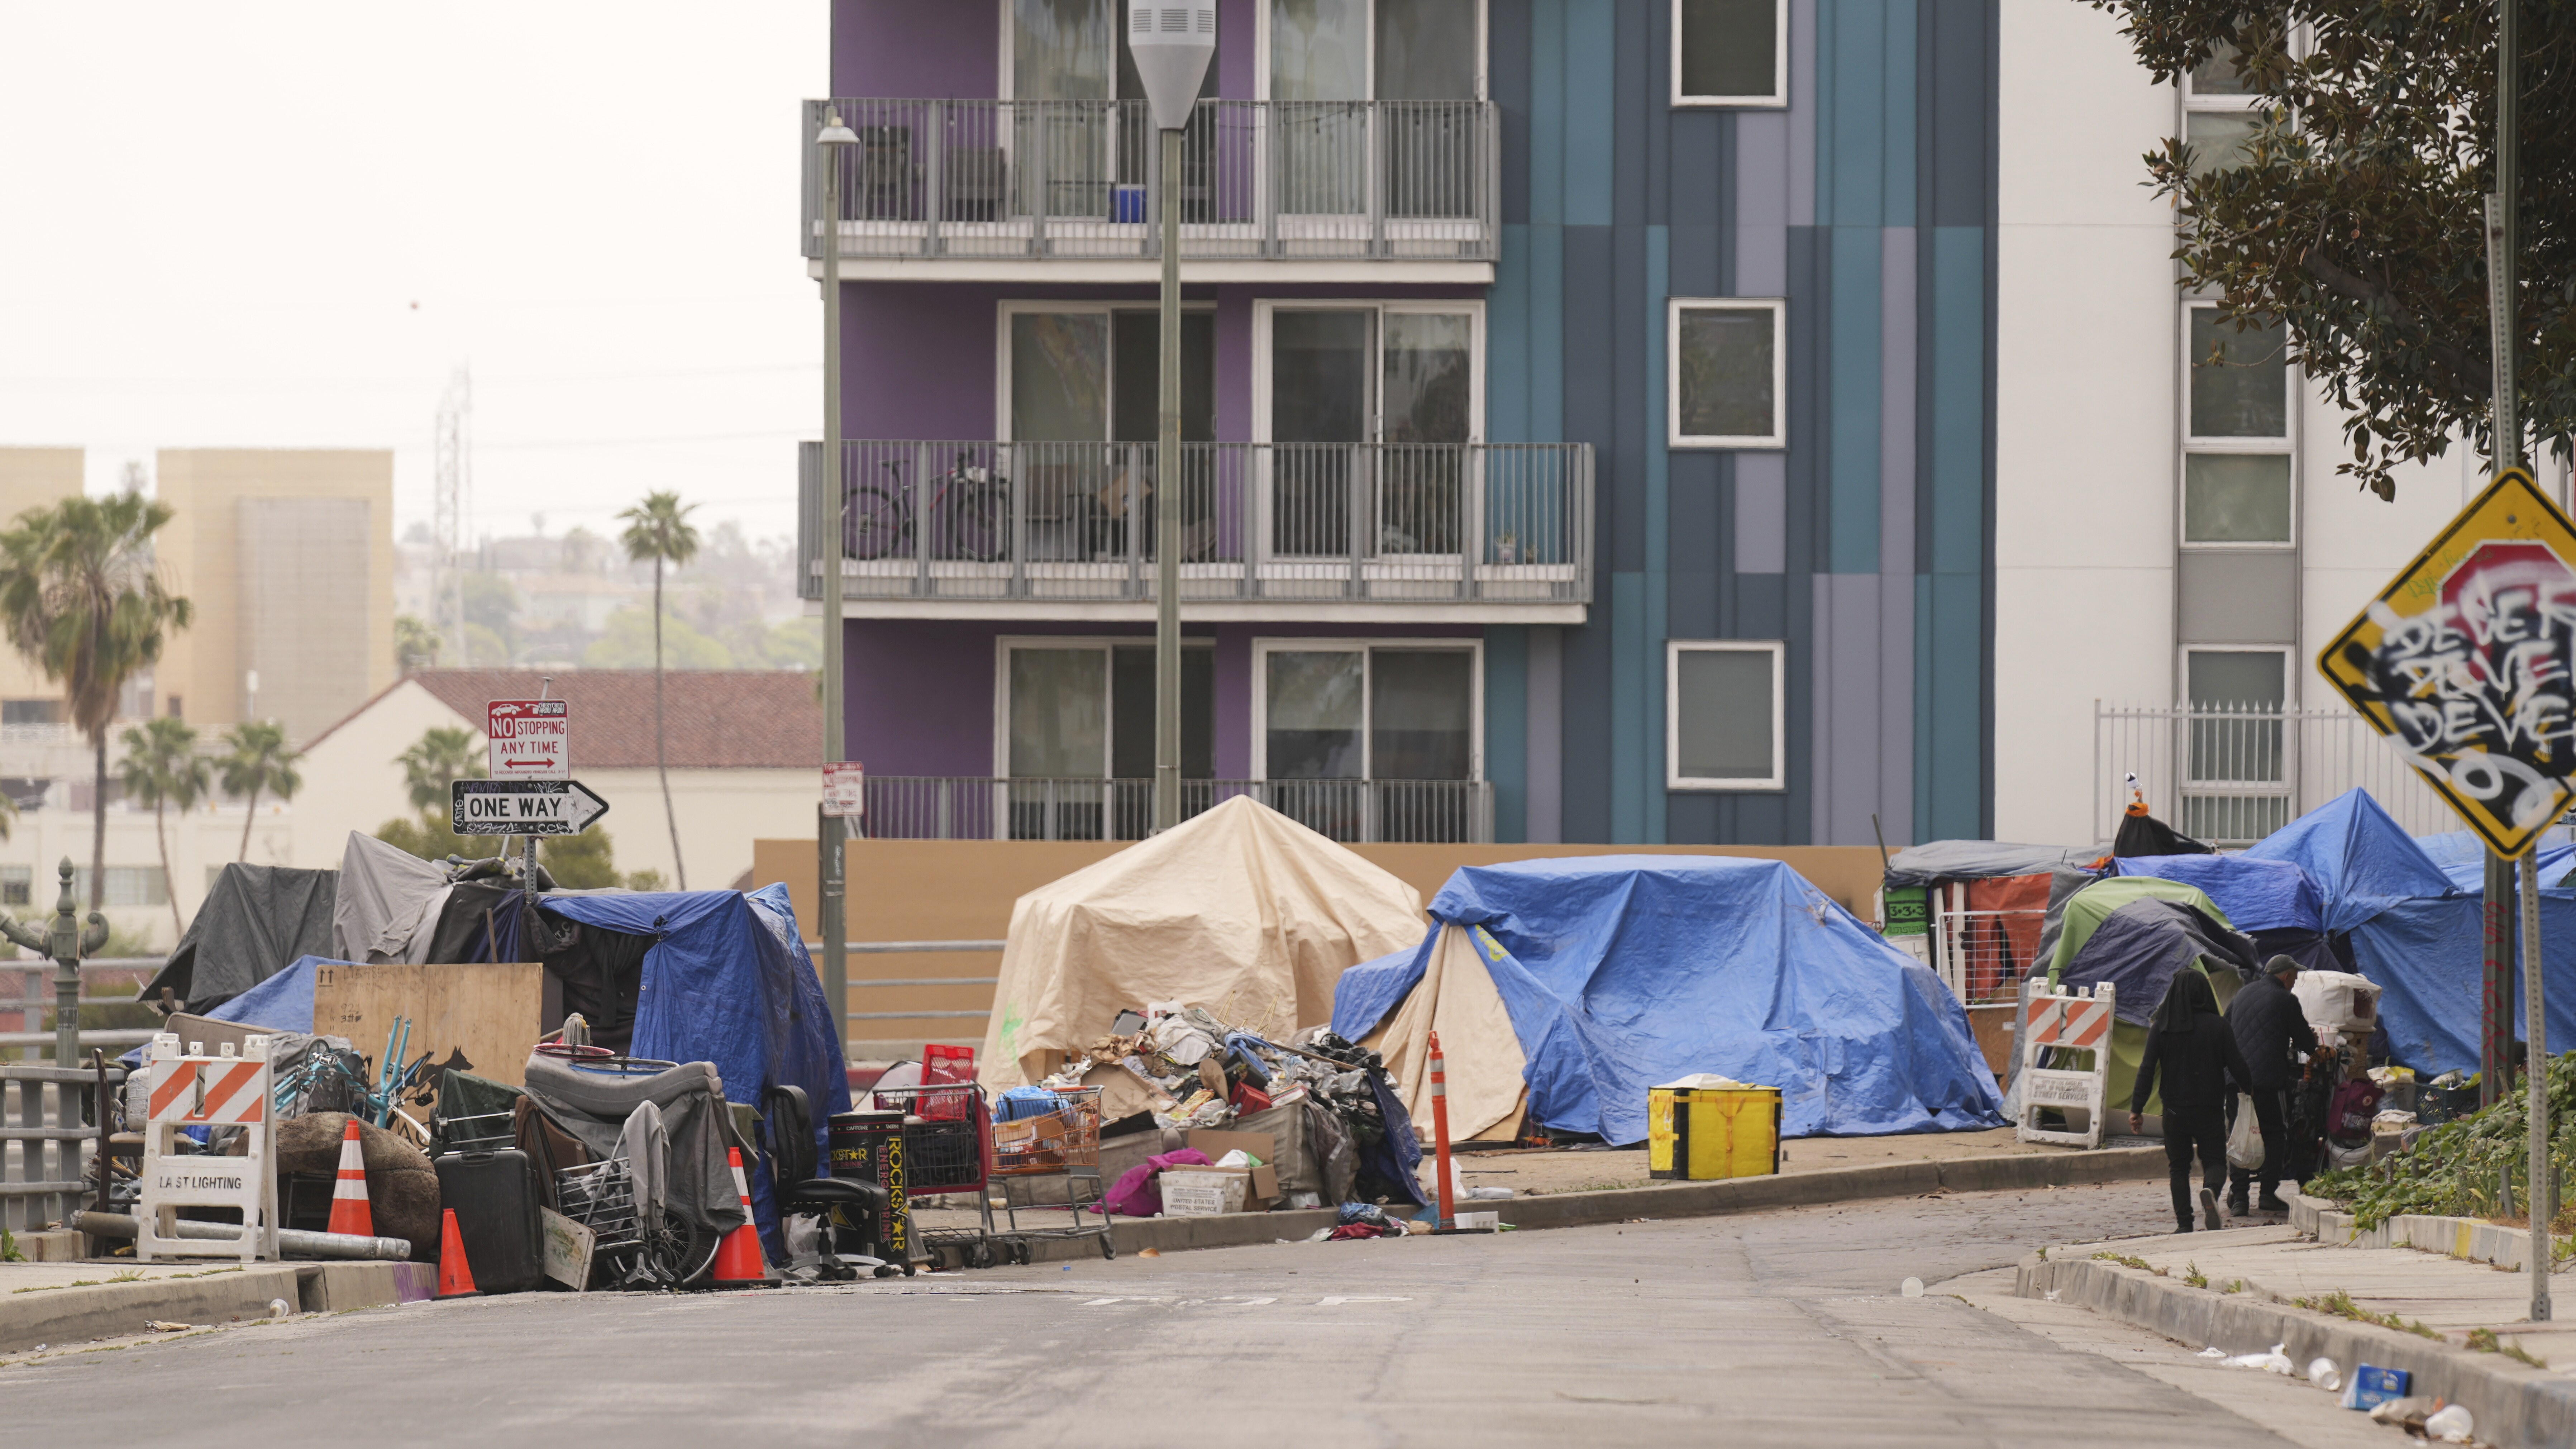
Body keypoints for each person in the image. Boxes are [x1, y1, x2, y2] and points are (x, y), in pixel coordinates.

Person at [2128, 969, 2251, 1233]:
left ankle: (2185, 1224)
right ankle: (2211, 1191)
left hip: (2174, 1110)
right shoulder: (2219, 1026)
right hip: (2210, 1108)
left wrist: (2137, 1109)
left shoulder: (2161, 1028)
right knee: (2216, 1162)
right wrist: (2250, 1090)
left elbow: (2147, 1070)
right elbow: (2238, 1066)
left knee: (2178, 1168)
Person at [2228, 954, 2319, 1214]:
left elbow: (2227, 1025)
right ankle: (2267, 1193)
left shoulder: (2242, 994)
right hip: (2266, 1081)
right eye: (2295, 978)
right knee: (2275, 1133)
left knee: (2239, 1136)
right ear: (2287, 976)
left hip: (2235, 1080)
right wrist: (2312, 1041)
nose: (2295, 983)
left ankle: (2240, 1199)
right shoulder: (2286, 1000)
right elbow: (2308, 1045)